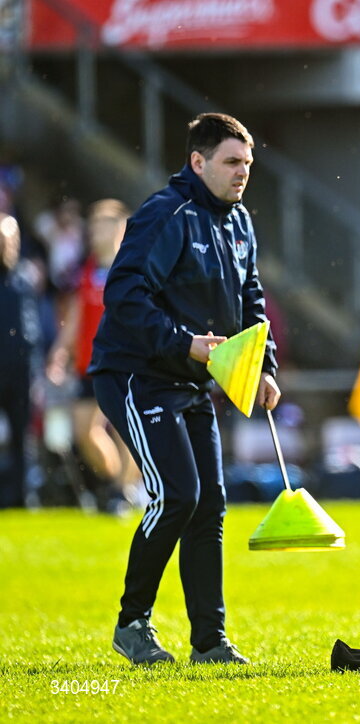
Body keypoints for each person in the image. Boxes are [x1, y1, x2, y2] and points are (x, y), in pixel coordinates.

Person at [89, 113, 280, 665]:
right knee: (177, 495)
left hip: (193, 381)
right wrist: (183, 343)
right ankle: (132, 623)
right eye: (231, 162)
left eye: (247, 163)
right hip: (137, 374)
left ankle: (210, 642)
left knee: (209, 507)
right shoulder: (164, 213)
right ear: (198, 162)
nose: (242, 172)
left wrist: (264, 367)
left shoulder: (240, 220)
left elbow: (252, 301)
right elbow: (123, 293)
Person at [47, 199, 141, 514]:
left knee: (126, 431)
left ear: (120, 228)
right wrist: (59, 352)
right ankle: (118, 484)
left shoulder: (130, 268)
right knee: (84, 431)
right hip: (89, 365)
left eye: (102, 226)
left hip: (125, 363)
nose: (95, 233)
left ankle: (123, 491)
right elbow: (74, 317)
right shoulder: (86, 270)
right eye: (93, 226)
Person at [0, 213, 42, 509]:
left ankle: (20, 495)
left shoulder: (23, 280)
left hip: (20, 373)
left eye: (12, 240)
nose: (8, 245)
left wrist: (36, 368)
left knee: (20, 437)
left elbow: (32, 329)